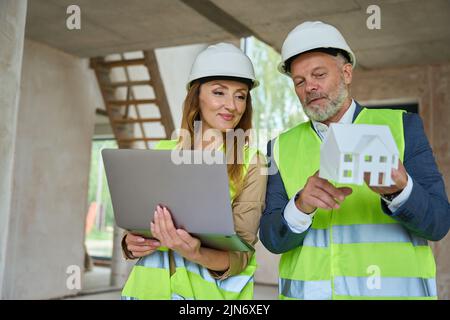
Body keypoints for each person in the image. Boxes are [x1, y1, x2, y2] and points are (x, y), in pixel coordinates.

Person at [259, 21, 450, 300]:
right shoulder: (279, 147)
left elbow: (438, 223)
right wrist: (300, 206)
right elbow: (272, 239)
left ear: (347, 73)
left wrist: (400, 190)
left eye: (319, 74)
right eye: (299, 81)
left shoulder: (402, 127)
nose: (309, 87)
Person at [120, 43, 267, 300]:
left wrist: (195, 253)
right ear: (196, 96)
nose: (231, 105)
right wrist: (130, 244)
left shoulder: (252, 162)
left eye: (240, 95)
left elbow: (241, 255)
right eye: (219, 92)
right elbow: (141, 223)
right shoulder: (163, 150)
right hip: (147, 292)